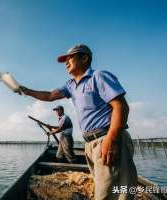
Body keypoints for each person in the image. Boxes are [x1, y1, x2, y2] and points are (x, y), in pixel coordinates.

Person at [19, 44, 137, 200]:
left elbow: (121, 106)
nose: (66, 63)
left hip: (106, 138)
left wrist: (112, 139)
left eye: (70, 58)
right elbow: (49, 96)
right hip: (90, 144)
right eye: (65, 60)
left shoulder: (98, 76)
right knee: (103, 189)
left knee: (111, 194)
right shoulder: (70, 85)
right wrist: (25, 91)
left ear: (84, 58)